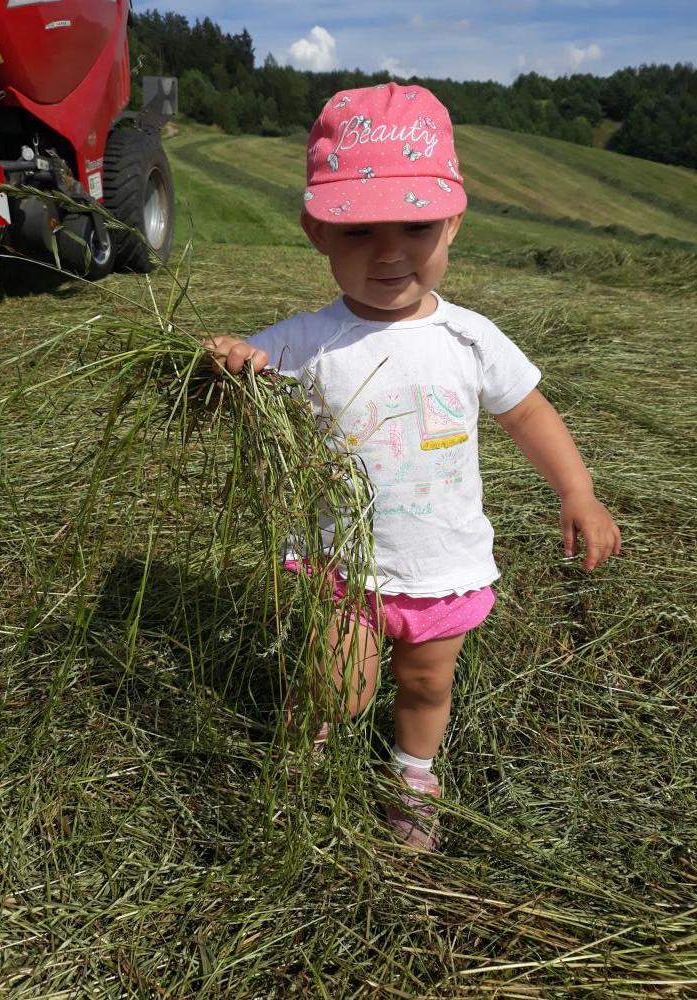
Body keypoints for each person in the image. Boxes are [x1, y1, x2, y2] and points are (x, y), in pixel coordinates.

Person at [205, 82, 622, 851]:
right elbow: (244, 368)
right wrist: (227, 360)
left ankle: (412, 773)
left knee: (428, 683)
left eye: (416, 225)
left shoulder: (470, 338)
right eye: (360, 230)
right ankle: (308, 761)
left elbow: (527, 412)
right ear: (317, 233)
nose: (390, 250)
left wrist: (578, 490)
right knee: (337, 682)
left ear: (454, 223)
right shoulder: (306, 340)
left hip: (443, 563)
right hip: (344, 561)